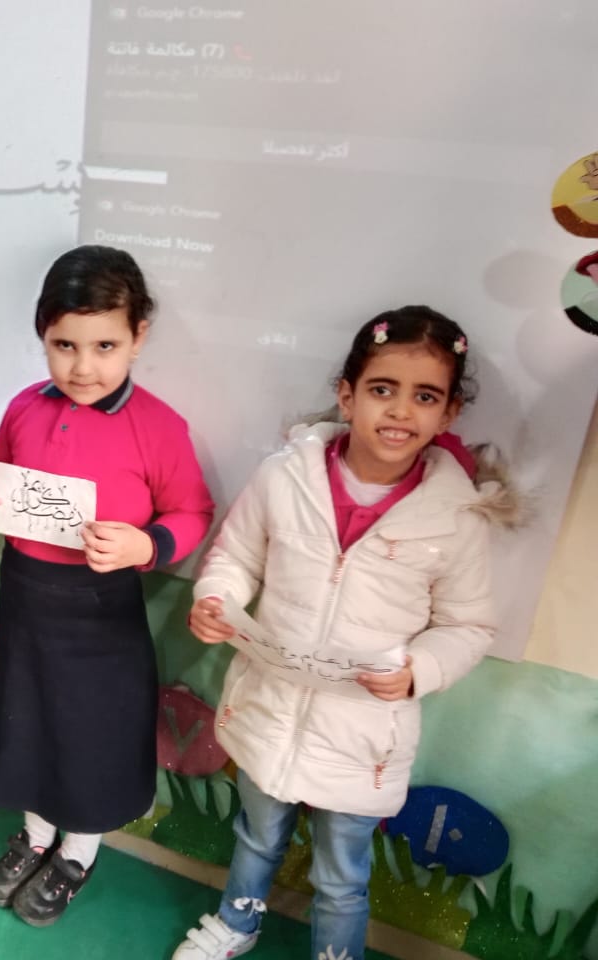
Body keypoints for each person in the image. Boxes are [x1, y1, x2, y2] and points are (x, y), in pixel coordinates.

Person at [171, 306, 521, 960]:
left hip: (365, 737)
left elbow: (468, 624)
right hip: (270, 710)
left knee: (341, 876)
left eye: (425, 397)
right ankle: (237, 923)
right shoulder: (284, 476)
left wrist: (419, 671)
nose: (400, 411)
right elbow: (236, 556)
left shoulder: (457, 516)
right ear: (347, 394)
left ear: (448, 414)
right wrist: (216, 599)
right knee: (255, 836)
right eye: (383, 389)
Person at [0, 245, 215, 927]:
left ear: (138, 337)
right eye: (63, 345)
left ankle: (77, 853)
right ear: (42, 335)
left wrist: (147, 545)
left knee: (90, 737)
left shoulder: (157, 426)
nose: (82, 367)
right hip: (25, 597)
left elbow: (192, 513)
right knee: (27, 724)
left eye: (105, 346)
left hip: (102, 614)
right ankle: (36, 835)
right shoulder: (24, 407)